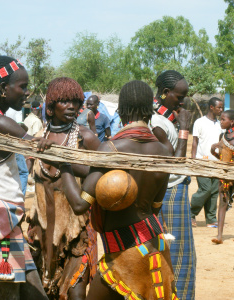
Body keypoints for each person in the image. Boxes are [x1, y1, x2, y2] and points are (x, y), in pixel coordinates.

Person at [57, 80, 178, 299]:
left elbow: (79, 204)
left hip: (127, 251)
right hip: (156, 245)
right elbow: (155, 207)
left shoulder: (112, 148)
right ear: (150, 111)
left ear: (120, 111)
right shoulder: (163, 151)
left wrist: (62, 164)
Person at [26, 77, 101, 300]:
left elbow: (101, 174)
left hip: (77, 232)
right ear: (50, 107)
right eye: (64, 101)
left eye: (75, 102)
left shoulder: (85, 138)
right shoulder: (37, 139)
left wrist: (60, 156)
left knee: (75, 294)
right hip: (42, 233)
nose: (72, 107)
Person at [0, 55, 52, 299]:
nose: (26, 93)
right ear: (4, 89)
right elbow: (35, 145)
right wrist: (43, 142)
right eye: (22, 87)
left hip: (5, 223)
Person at [150, 70, 196, 300]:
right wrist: (185, 127)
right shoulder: (156, 122)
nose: (182, 101)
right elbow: (174, 164)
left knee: (184, 256)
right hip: (168, 193)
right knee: (178, 256)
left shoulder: (166, 118)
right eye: (179, 97)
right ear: (166, 93)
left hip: (176, 190)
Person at [190, 97, 224, 228]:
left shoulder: (220, 124)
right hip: (201, 161)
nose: (221, 110)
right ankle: (191, 214)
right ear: (211, 107)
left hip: (216, 162)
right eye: (219, 107)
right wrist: (193, 160)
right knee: (205, 189)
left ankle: (211, 219)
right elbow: (194, 142)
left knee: (214, 191)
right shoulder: (199, 122)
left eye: (221, 107)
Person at [211, 110, 234, 244]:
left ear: (231, 122)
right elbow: (221, 157)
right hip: (224, 176)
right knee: (222, 202)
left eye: (223, 119)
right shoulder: (222, 136)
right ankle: (219, 235)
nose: (221, 121)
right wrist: (213, 149)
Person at [24, 100, 43, 177]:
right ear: (38, 109)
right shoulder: (36, 121)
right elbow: (36, 136)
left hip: (24, 146)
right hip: (31, 147)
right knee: (28, 169)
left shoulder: (27, 118)